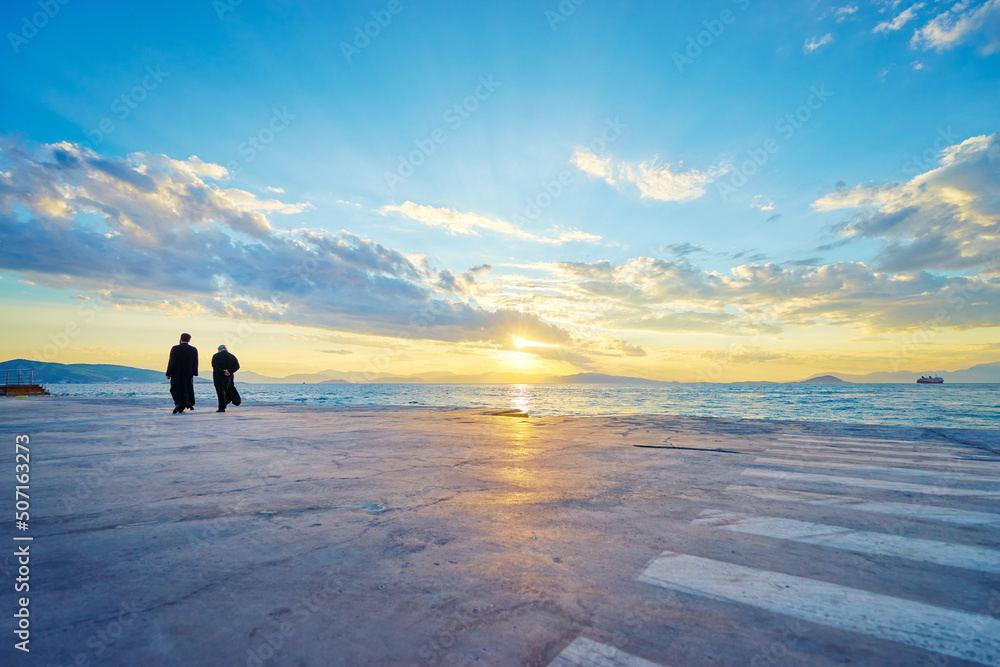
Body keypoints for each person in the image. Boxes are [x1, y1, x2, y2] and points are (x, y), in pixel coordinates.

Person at [166, 333, 198, 414]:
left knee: (175, 388)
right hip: (188, 373)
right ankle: (182, 406)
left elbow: (172, 361)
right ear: (189, 340)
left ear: (180, 338)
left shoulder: (175, 348)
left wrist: (168, 373)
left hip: (177, 373)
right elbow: (195, 363)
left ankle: (179, 403)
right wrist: (194, 372)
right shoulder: (193, 349)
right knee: (186, 389)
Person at [211, 344, 242, 412]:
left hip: (218, 376)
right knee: (229, 388)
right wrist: (229, 371)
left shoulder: (216, 356)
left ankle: (222, 407)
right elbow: (237, 366)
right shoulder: (232, 356)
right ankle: (235, 399)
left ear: (219, 349)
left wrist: (222, 371)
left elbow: (214, 365)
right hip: (229, 376)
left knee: (220, 391)